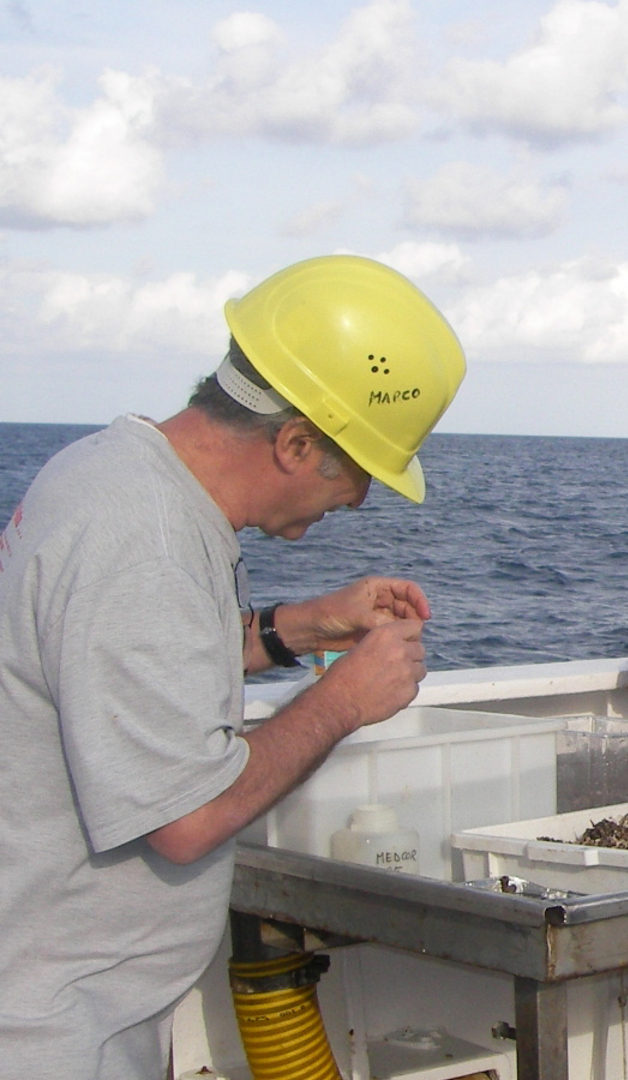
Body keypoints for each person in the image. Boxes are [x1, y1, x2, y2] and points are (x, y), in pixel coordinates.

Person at [0, 255, 466, 1078]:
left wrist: (303, 626)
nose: (359, 500)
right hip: (51, 1032)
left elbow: (137, 664)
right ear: (293, 441)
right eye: (361, 471)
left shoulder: (118, 475)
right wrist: (342, 703)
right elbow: (186, 819)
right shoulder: (143, 541)